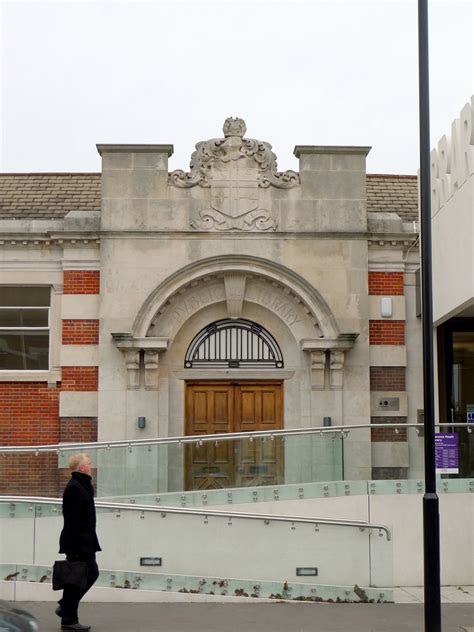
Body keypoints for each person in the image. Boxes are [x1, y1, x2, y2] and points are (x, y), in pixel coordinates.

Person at [56, 453, 101, 631]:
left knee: (84, 576)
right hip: (79, 544)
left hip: (85, 542)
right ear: (82, 468)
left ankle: (66, 608)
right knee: (78, 578)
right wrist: (74, 548)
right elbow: (72, 520)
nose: (91, 467)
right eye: (89, 464)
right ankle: (69, 618)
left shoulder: (82, 485)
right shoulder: (75, 487)